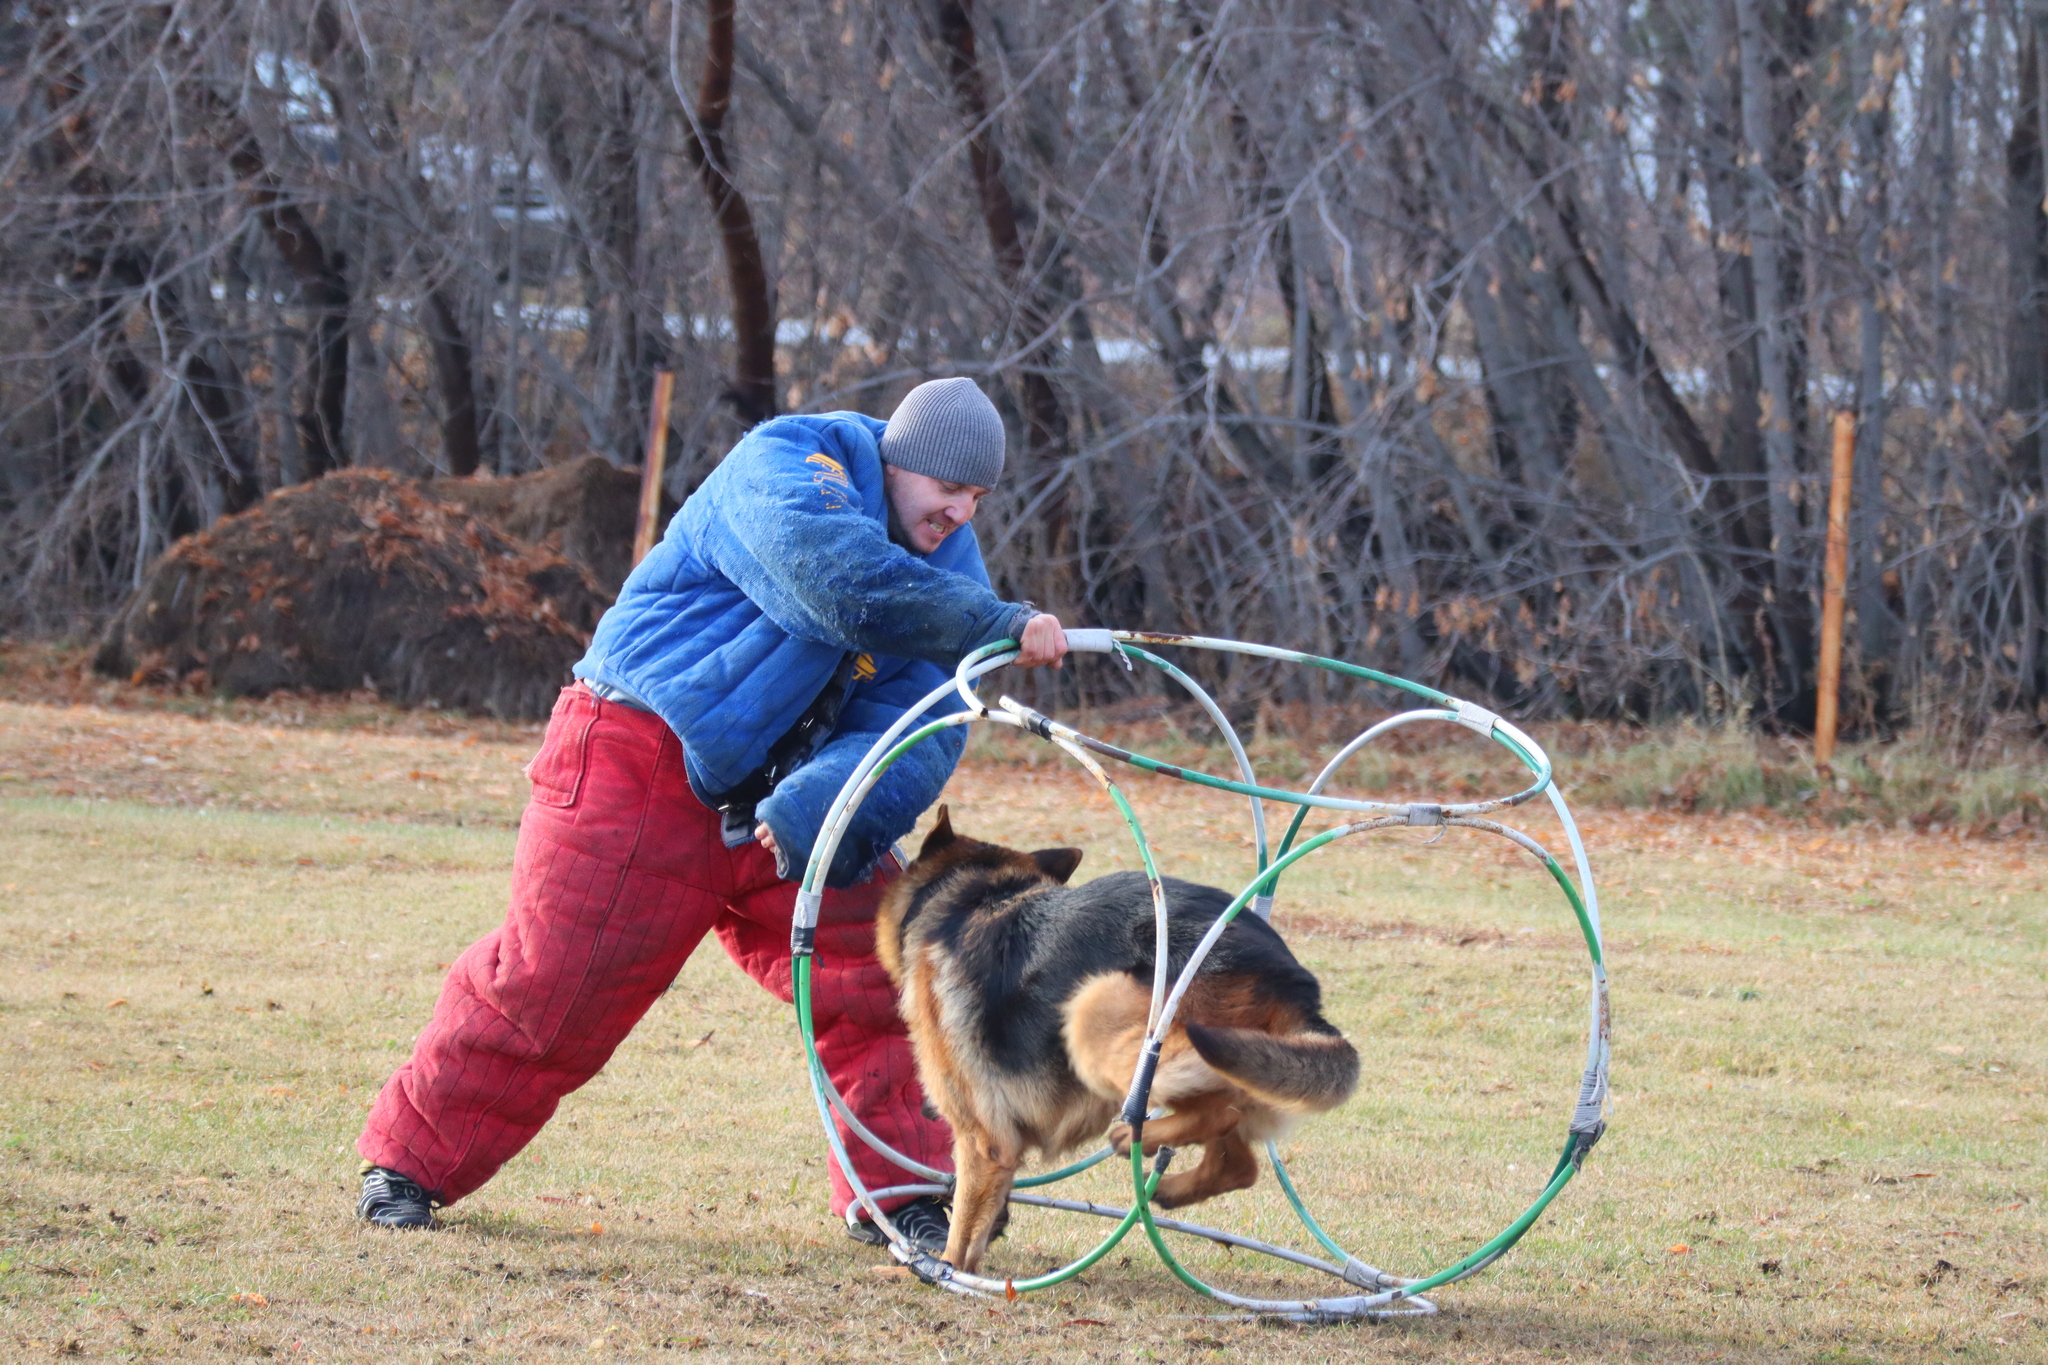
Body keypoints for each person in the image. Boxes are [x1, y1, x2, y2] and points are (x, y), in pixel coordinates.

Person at [354, 377, 1068, 1257]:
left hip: (786, 803)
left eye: (977, 499)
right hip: (638, 751)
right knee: (553, 985)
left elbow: (918, 727)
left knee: (884, 969)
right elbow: (833, 580)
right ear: (895, 457)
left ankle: (907, 1196)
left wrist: (819, 810)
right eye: (946, 489)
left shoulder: (947, 565)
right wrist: (1000, 622)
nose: (960, 512)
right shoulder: (787, 463)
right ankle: (406, 1166)